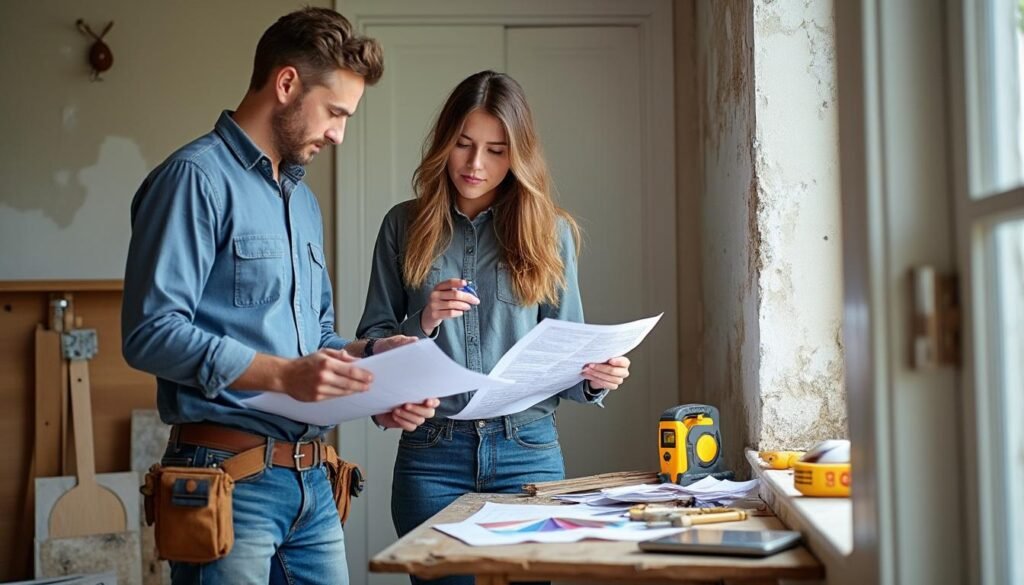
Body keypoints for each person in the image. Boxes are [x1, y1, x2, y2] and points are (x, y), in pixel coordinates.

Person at [121, 8, 437, 584]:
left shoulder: (303, 202)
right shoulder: (194, 179)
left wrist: (373, 372)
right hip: (226, 480)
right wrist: (283, 376)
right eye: (335, 112)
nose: (339, 134)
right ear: (287, 83)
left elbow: (316, 342)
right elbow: (150, 333)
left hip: (314, 483)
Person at [356, 70, 633, 585]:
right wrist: (424, 320)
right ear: (444, 143)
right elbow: (370, 344)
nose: (475, 164)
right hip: (431, 458)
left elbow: (568, 358)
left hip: (526, 454)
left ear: (517, 155)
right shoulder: (402, 225)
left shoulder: (549, 231)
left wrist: (597, 376)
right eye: (463, 144)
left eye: (496, 150)